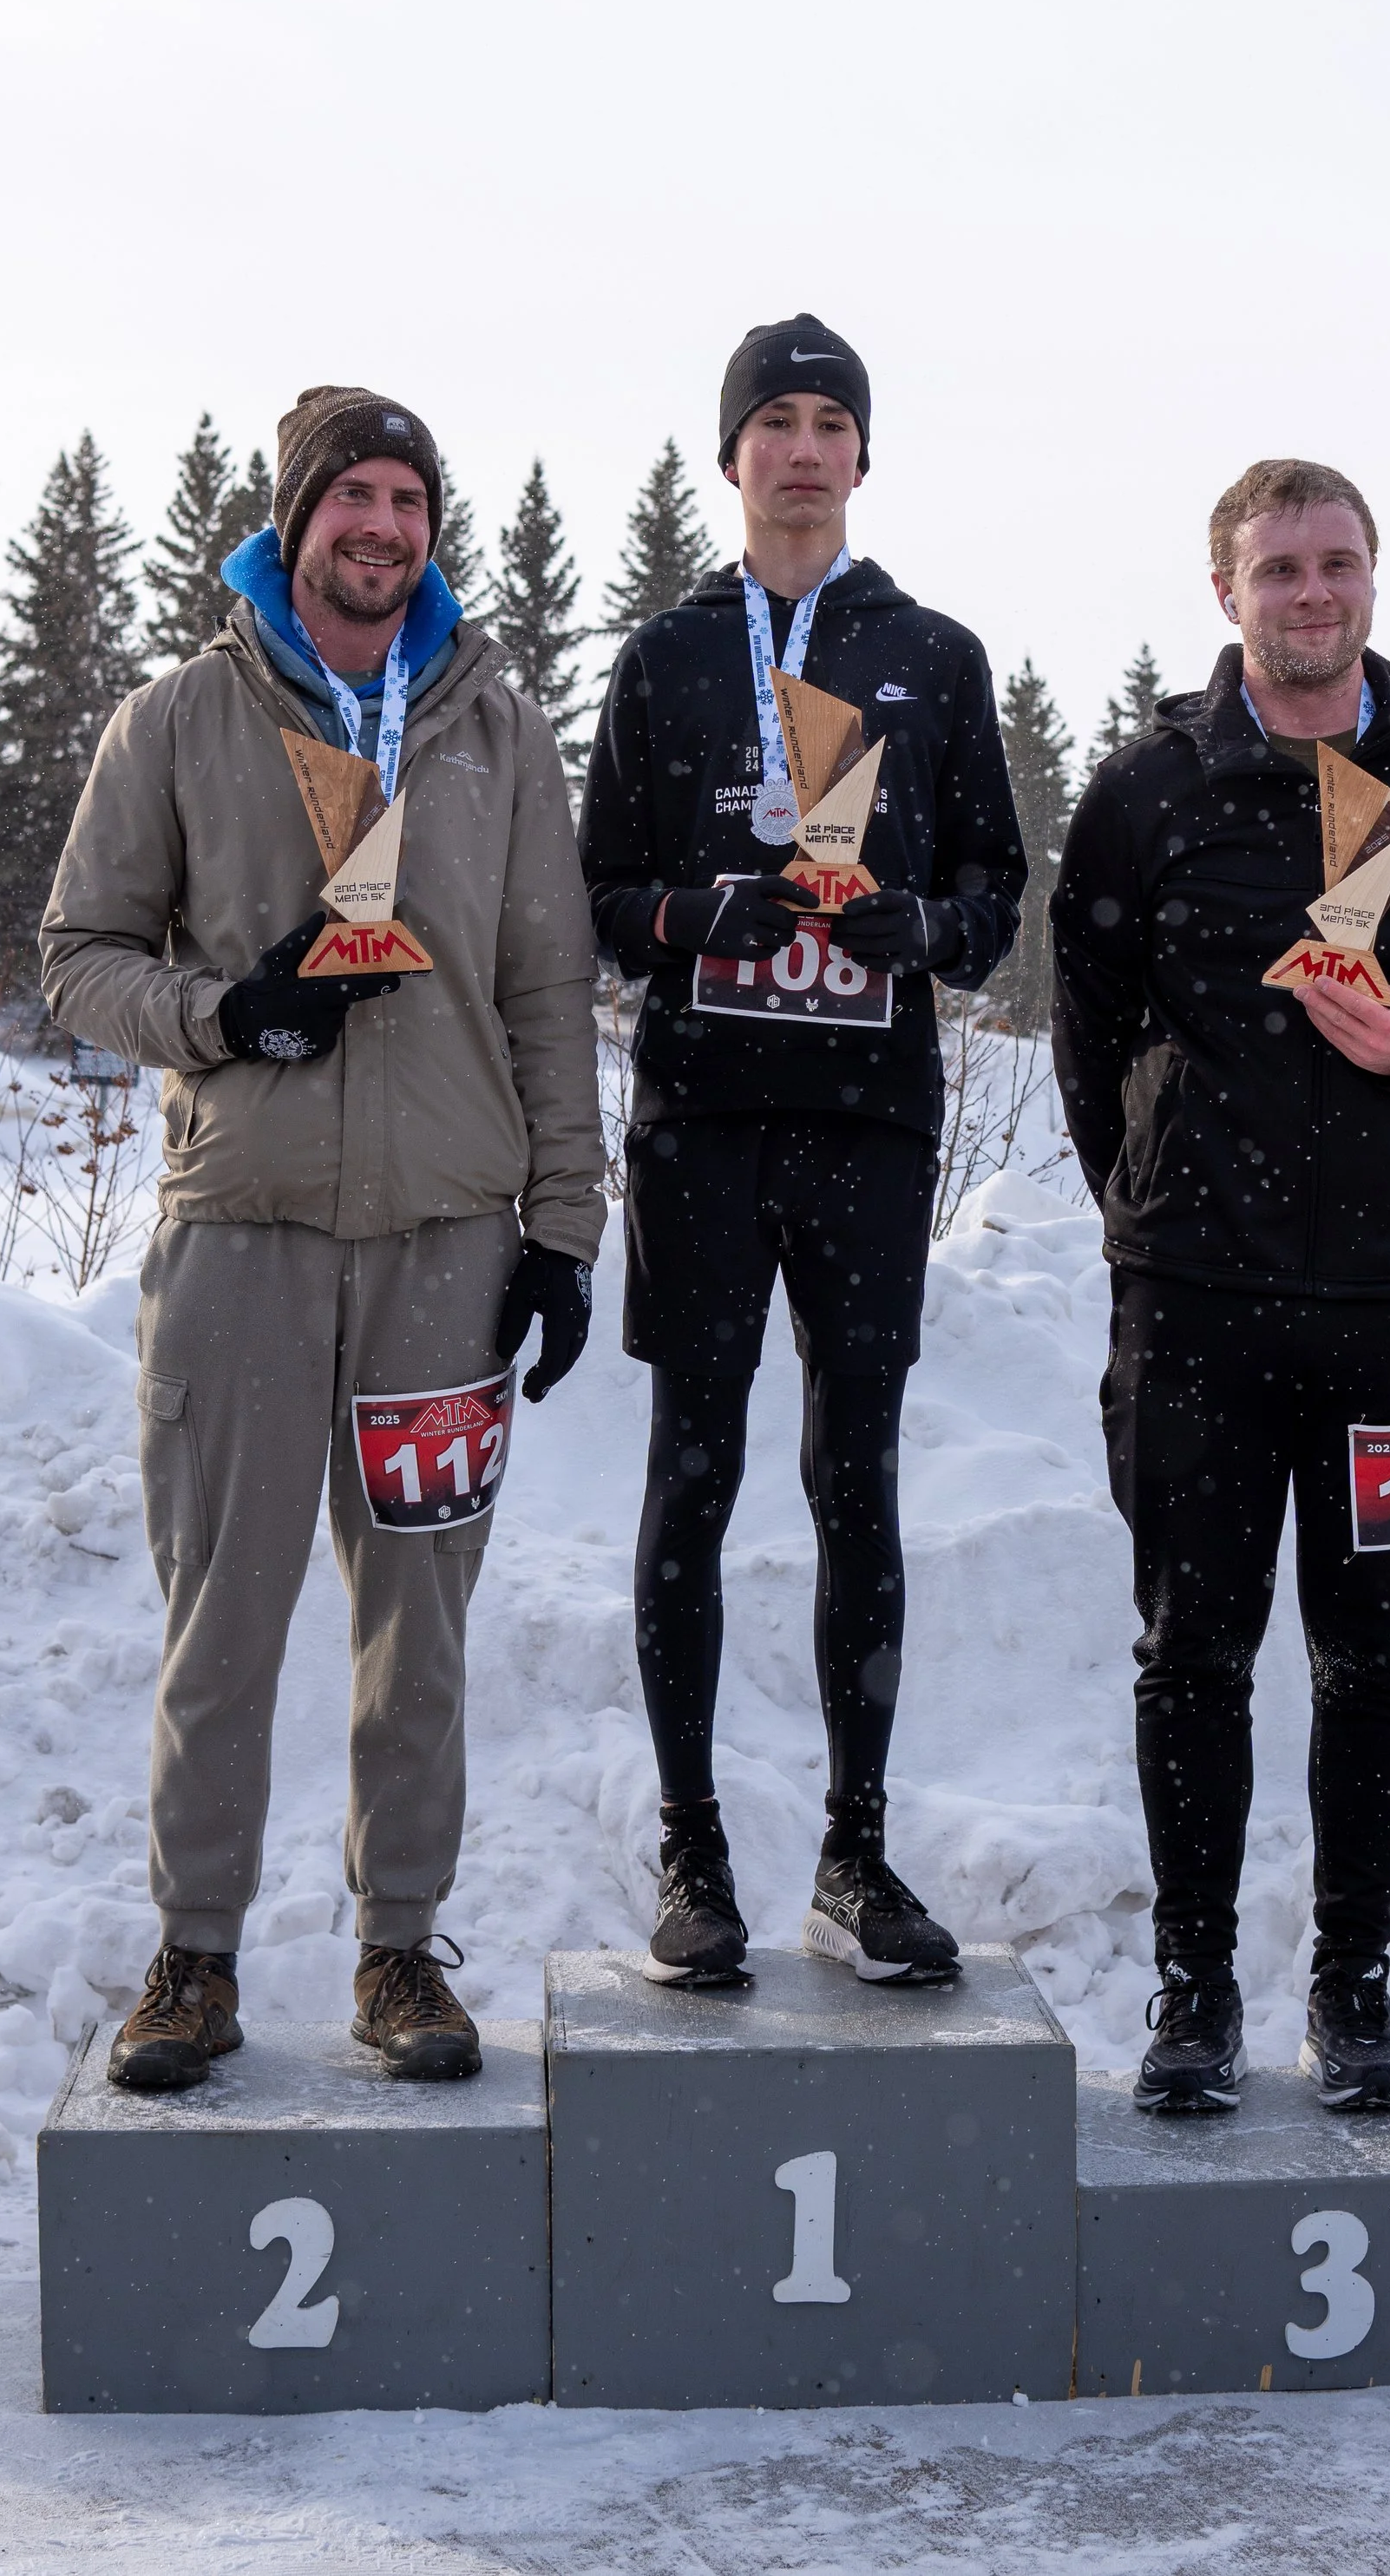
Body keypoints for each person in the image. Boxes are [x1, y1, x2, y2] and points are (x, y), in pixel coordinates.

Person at [43, 385, 605, 2090]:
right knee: (222, 1617)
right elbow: (78, 954)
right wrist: (232, 1010)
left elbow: (545, 990)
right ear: (290, 524)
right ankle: (193, 1959)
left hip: (446, 1242)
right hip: (242, 1240)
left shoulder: (494, 732)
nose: (379, 524)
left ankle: (397, 1952)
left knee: (415, 1624)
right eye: (348, 495)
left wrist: (563, 1227)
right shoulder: (175, 721)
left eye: (407, 499)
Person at [1050, 457, 1390, 2112]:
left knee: (1379, 1661)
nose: (1311, 591)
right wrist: (1154, 1199)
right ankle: (1192, 1994)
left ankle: (1351, 1996)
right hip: (1198, 1312)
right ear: (1224, 590)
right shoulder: (1146, 795)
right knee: (1190, 1657)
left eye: (1336, 562)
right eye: (1277, 566)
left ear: (1374, 578)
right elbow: (1089, 1034)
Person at [580, 315, 1027, 1989]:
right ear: (730, 456)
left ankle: (856, 1848)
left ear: (862, 458)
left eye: (831, 420)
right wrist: (704, 912)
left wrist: (916, 923)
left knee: (859, 1482)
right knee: (691, 1474)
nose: (802, 447)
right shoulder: (663, 658)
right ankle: (693, 1854)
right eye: (773, 419)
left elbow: (997, 893)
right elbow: (599, 896)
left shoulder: (934, 652)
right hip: (700, 1119)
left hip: (867, 1125)